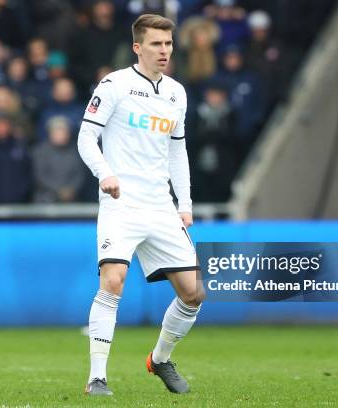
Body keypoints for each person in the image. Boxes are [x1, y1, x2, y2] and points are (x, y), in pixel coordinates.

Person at [77, 14, 203, 396]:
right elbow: (86, 137)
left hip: (160, 207)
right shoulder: (115, 85)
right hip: (121, 203)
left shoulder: (177, 93)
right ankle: (96, 378)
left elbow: (177, 151)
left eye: (168, 44)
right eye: (155, 44)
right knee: (112, 282)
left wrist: (185, 203)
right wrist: (105, 173)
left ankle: (160, 359)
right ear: (137, 47)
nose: (164, 51)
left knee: (194, 293)